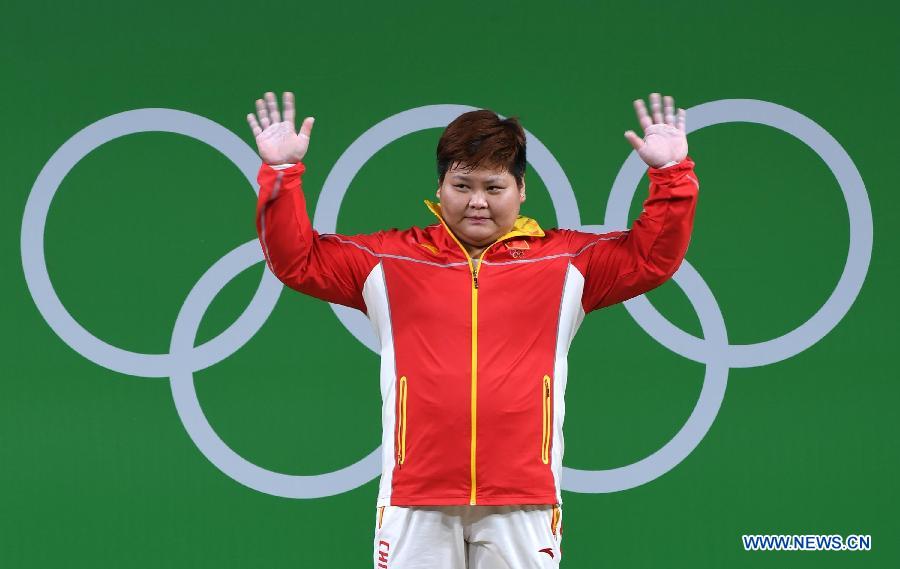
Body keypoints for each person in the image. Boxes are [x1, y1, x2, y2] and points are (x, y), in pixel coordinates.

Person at [248, 91, 698, 568]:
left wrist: (671, 176)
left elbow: (653, 257)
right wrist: (281, 173)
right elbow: (297, 260)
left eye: (493, 186)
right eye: (462, 186)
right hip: (415, 494)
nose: (477, 202)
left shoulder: (565, 262)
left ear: (521, 189)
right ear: (440, 188)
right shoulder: (389, 259)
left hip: (522, 496)